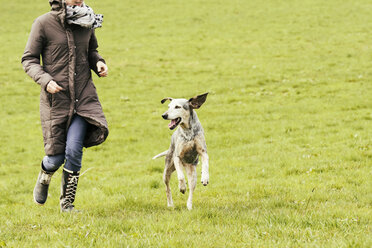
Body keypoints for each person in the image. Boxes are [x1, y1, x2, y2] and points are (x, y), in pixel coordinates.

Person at [21, 0, 109, 212]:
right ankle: (45, 175)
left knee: (74, 149)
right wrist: (45, 80)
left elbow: (91, 51)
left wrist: (98, 62)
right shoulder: (43, 23)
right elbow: (29, 60)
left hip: (83, 98)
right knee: (55, 158)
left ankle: (67, 204)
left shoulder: (87, 21)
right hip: (56, 101)